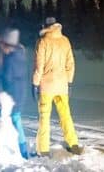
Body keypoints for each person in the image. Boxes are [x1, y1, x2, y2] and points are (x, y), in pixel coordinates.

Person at [32, 17, 82, 156]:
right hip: (62, 85)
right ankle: (73, 144)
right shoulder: (65, 40)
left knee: (44, 117)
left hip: (46, 86)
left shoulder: (42, 42)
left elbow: (39, 67)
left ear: (46, 26)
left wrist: (35, 83)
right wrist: (69, 82)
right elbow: (70, 64)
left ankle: (43, 149)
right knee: (66, 115)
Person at [0, 27, 31, 159]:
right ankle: (21, 149)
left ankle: (21, 151)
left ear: (8, 44)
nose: (1, 48)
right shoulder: (20, 54)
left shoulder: (10, 58)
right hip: (20, 93)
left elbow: (7, 77)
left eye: (3, 44)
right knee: (16, 121)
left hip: (12, 96)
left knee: (14, 121)